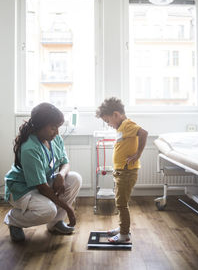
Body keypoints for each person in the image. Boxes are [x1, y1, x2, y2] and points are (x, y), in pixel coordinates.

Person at [4, 103, 82, 242]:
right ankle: (14, 220)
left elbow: (65, 162)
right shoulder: (30, 148)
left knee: (75, 178)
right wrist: (69, 209)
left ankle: (55, 224)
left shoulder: (54, 139)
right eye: (53, 128)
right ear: (39, 125)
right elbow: (43, 188)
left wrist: (61, 175)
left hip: (41, 183)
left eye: (58, 127)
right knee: (48, 210)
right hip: (21, 189)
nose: (57, 132)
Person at [96, 97, 148, 243]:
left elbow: (143, 133)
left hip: (126, 172)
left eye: (107, 121)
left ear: (116, 115)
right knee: (120, 202)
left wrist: (138, 154)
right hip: (121, 172)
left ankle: (124, 234)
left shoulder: (126, 124)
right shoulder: (121, 127)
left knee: (121, 204)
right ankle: (122, 228)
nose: (108, 124)